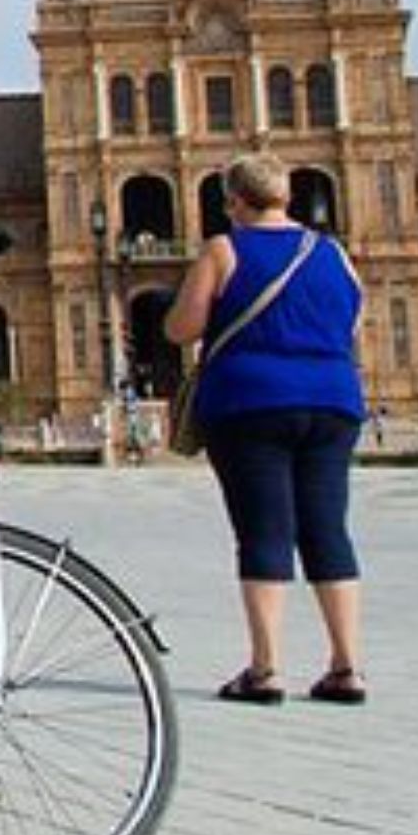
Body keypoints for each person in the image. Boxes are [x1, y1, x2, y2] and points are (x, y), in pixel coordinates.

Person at [168, 152, 369, 706]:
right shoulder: (333, 251)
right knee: (328, 529)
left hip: (249, 404)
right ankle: (346, 667)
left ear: (233, 201)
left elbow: (182, 328)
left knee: (264, 532)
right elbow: (354, 318)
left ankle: (265, 669)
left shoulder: (223, 248)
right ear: (287, 196)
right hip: (333, 402)